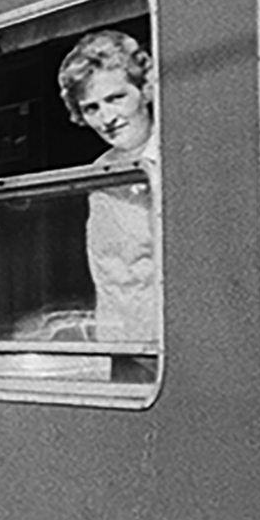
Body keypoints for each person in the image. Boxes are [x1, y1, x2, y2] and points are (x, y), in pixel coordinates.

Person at [57, 29, 158, 346]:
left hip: (180, 341)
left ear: (144, 90)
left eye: (116, 98)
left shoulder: (181, 153)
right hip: (122, 343)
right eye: (92, 108)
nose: (107, 118)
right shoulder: (100, 173)